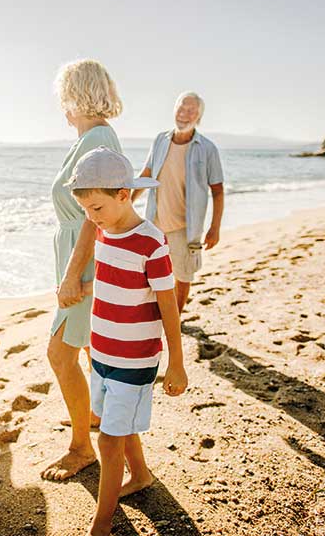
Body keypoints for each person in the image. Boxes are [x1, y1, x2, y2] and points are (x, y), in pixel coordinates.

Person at [66, 147, 188, 536]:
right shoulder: (105, 230)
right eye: (85, 210)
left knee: (108, 439)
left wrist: (176, 363)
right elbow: (110, 280)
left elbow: (168, 306)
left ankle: (103, 522)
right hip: (101, 350)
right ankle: (141, 476)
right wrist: (81, 286)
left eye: (96, 208)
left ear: (123, 195)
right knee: (118, 423)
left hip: (135, 357)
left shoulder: (151, 242)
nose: (91, 217)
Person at [43, 59, 124, 481]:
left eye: (63, 95)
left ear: (74, 95)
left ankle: (81, 448)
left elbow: (98, 214)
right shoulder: (94, 138)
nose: (61, 105)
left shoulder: (98, 140)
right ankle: (95, 417)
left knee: (60, 353)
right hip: (81, 255)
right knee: (94, 349)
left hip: (86, 259)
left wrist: (74, 274)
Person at [131, 92, 224, 313]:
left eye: (192, 110)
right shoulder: (160, 140)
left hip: (186, 228)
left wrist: (215, 228)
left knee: (183, 276)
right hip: (155, 223)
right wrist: (128, 201)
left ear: (199, 117)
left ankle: (176, 318)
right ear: (174, 109)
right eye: (182, 108)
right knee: (153, 274)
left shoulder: (207, 148)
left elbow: (218, 191)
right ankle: (157, 315)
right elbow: (147, 172)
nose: (185, 114)